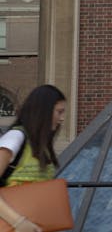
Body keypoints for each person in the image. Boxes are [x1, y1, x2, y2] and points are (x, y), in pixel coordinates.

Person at [0, 85, 66, 232]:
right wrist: (18, 222)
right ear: (43, 111)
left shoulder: (41, 146)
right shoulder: (15, 138)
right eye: (59, 112)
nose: (62, 118)